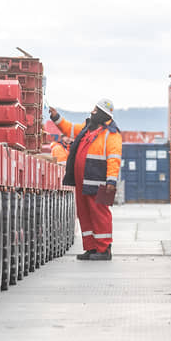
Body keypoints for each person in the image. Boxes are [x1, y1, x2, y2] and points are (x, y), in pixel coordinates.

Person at [49, 99, 122, 261]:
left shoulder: (112, 134)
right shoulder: (88, 129)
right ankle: (91, 248)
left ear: (103, 114)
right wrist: (56, 117)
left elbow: (114, 159)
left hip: (102, 183)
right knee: (85, 214)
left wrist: (111, 182)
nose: (92, 112)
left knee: (101, 215)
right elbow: (69, 129)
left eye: (95, 110)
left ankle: (104, 249)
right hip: (83, 181)